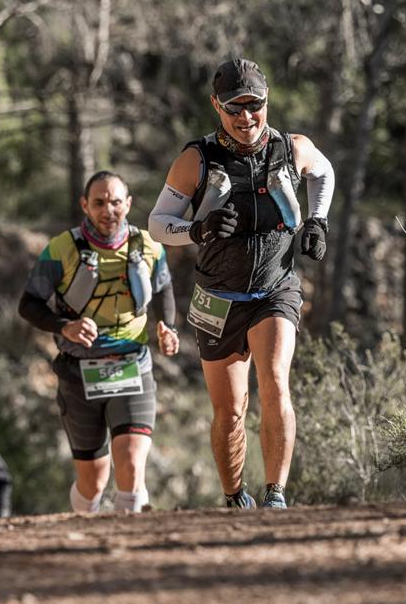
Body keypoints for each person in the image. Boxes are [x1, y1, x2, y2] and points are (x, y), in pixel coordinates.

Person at [148, 57, 335, 509]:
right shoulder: (196, 159)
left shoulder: (292, 148)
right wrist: (197, 229)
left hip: (276, 288)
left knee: (275, 382)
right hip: (218, 296)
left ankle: (276, 495)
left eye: (256, 105)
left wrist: (317, 222)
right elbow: (157, 225)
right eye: (235, 108)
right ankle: (235, 498)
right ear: (216, 105)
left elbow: (325, 172)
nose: (247, 117)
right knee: (231, 411)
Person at [19, 170, 180, 513]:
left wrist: (167, 326)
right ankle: (87, 528)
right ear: (85, 205)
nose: (109, 210)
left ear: (129, 204)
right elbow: (28, 305)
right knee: (93, 481)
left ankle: (132, 542)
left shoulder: (148, 246)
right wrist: (65, 326)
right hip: (78, 374)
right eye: (100, 203)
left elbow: (164, 287)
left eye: (116, 202)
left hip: (132, 366)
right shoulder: (62, 249)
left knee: (133, 464)